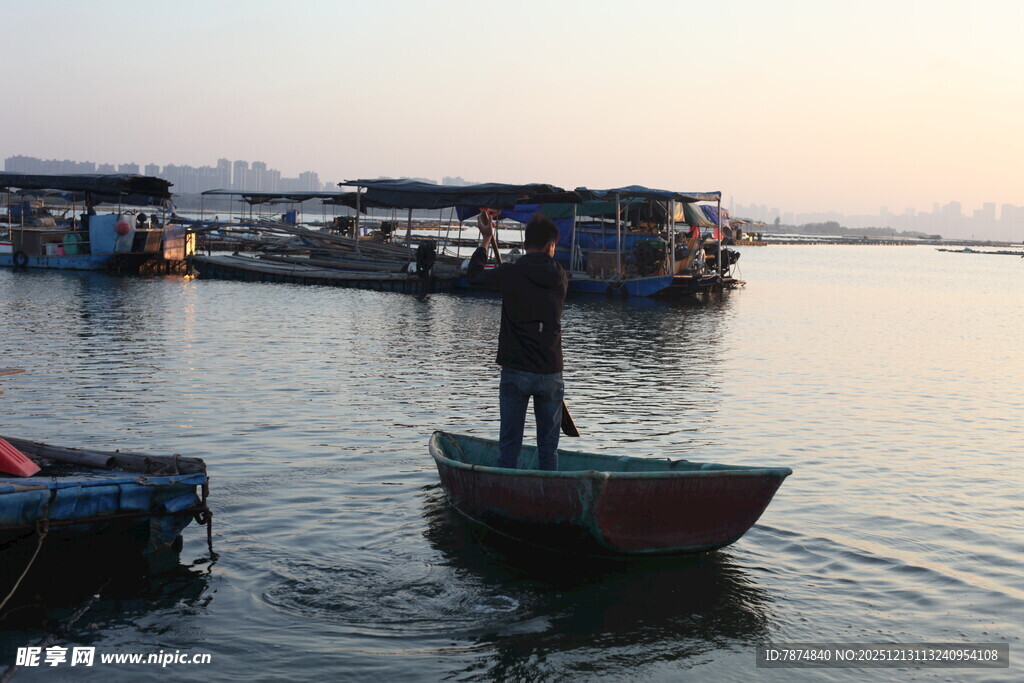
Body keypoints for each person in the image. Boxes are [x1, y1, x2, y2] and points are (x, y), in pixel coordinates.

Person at [468, 212, 568, 471]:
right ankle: (549, 489)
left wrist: (486, 240)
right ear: (551, 246)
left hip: (516, 369)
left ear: (525, 244)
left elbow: (474, 276)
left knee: (509, 446)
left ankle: (506, 488)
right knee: (548, 449)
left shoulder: (510, 273)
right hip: (549, 371)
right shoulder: (560, 277)